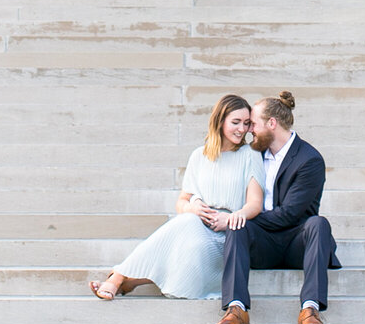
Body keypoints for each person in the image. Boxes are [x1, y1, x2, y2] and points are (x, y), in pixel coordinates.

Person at [88, 94, 265, 301]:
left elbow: (255, 204)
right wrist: (194, 208)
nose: (242, 129)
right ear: (220, 121)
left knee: (186, 229)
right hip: (197, 225)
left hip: (227, 235)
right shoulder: (199, 155)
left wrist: (231, 218)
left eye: (246, 123)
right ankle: (122, 278)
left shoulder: (249, 154)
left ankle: (120, 277)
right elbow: (181, 202)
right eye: (235, 122)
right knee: (187, 221)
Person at [216, 91, 340, 324]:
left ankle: (310, 308)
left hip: (298, 243)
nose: (249, 129)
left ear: (272, 124)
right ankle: (236, 307)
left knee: (318, 223)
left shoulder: (309, 159)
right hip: (263, 244)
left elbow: (289, 214)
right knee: (237, 225)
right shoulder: (253, 154)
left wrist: (242, 215)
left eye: (253, 123)